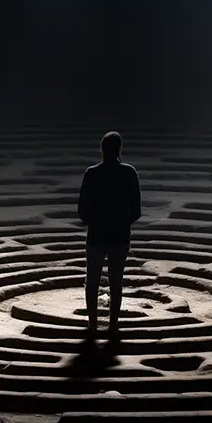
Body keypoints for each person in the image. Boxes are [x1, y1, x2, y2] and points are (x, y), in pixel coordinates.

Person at [76, 131, 141, 335]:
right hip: (120, 237)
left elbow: (82, 208)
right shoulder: (129, 173)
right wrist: (121, 223)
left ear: (101, 149)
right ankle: (113, 325)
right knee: (116, 281)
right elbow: (136, 210)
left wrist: (95, 223)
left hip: (96, 236)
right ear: (120, 149)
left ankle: (93, 325)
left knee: (92, 281)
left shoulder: (92, 173)